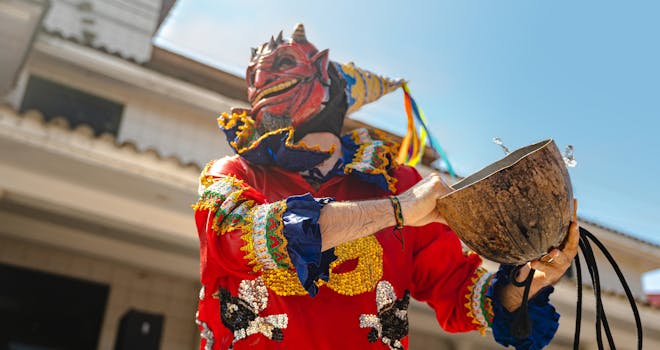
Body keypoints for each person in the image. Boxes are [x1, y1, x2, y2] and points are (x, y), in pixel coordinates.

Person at [193, 24, 579, 350]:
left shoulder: (398, 181)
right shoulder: (232, 176)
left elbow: (463, 294)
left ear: (327, 79)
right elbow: (244, 238)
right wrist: (396, 210)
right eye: (255, 75)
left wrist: (529, 282)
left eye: (284, 63)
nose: (262, 82)